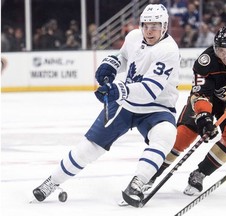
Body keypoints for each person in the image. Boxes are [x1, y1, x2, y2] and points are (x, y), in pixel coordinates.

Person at [32, 4, 180, 203]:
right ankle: (52, 181)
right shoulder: (133, 37)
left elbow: (149, 91)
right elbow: (125, 57)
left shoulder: (168, 50)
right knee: (89, 146)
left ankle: (139, 181)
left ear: (164, 27)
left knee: (165, 135)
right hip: (125, 103)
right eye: (146, 24)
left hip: (157, 107)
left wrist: (118, 89)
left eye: (155, 25)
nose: (149, 30)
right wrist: (111, 64)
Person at [146, 26, 226, 196]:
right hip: (208, 100)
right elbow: (200, 94)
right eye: (221, 50)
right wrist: (204, 117)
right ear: (215, 48)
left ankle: (200, 173)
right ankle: (150, 175)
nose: (225, 55)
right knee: (182, 136)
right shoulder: (206, 61)